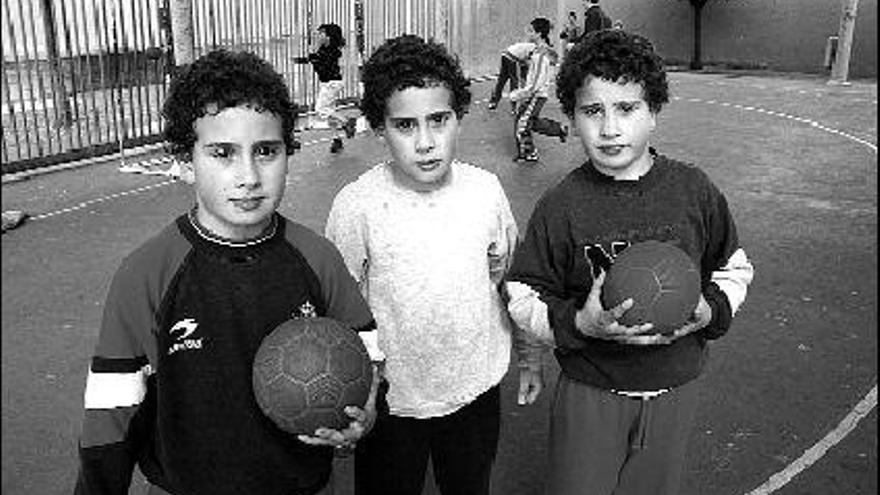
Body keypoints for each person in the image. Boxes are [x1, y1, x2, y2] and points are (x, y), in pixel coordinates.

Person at [74, 49, 383, 495]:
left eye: (266, 151)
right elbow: (111, 413)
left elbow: (368, 357)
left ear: (288, 152)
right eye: (222, 153)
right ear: (186, 158)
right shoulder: (146, 274)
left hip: (305, 485)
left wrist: (367, 412)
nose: (249, 175)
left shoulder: (317, 258)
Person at [504, 30, 755, 495]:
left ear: (653, 112)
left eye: (626, 108)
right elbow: (522, 293)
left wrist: (710, 310)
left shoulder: (693, 191)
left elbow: (733, 267)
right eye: (592, 110)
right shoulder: (562, 206)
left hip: (674, 387)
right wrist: (580, 323)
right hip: (591, 391)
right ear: (573, 118)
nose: (610, 128)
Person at [325, 34, 543, 495]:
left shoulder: (485, 192)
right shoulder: (356, 207)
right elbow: (339, 314)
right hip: (390, 404)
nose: (425, 142)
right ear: (380, 128)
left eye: (438, 120)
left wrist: (529, 355)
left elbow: (511, 281)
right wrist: (345, 399)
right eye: (405, 125)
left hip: (474, 389)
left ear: (458, 116)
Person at [509, 17, 568, 163]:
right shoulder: (538, 51)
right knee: (530, 121)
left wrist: (518, 94)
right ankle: (559, 129)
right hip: (536, 93)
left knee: (522, 123)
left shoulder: (541, 54)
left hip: (536, 94)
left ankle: (529, 153)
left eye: (531, 31)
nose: (528, 33)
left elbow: (535, 83)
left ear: (539, 33)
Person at [295, 23, 358, 153]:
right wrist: (303, 60)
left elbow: (321, 64)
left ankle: (347, 121)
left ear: (328, 36)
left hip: (332, 83)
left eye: (321, 33)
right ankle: (337, 140)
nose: (318, 36)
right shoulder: (324, 49)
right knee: (330, 114)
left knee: (320, 109)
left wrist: (314, 59)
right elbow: (314, 59)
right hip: (329, 83)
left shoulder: (331, 51)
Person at [487, 38, 535, 113]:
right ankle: (514, 107)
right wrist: (525, 84)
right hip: (513, 57)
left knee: (502, 79)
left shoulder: (529, 47)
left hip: (505, 54)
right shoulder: (535, 50)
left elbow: (524, 66)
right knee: (514, 82)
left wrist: (524, 80)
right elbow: (526, 66)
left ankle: (493, 102)